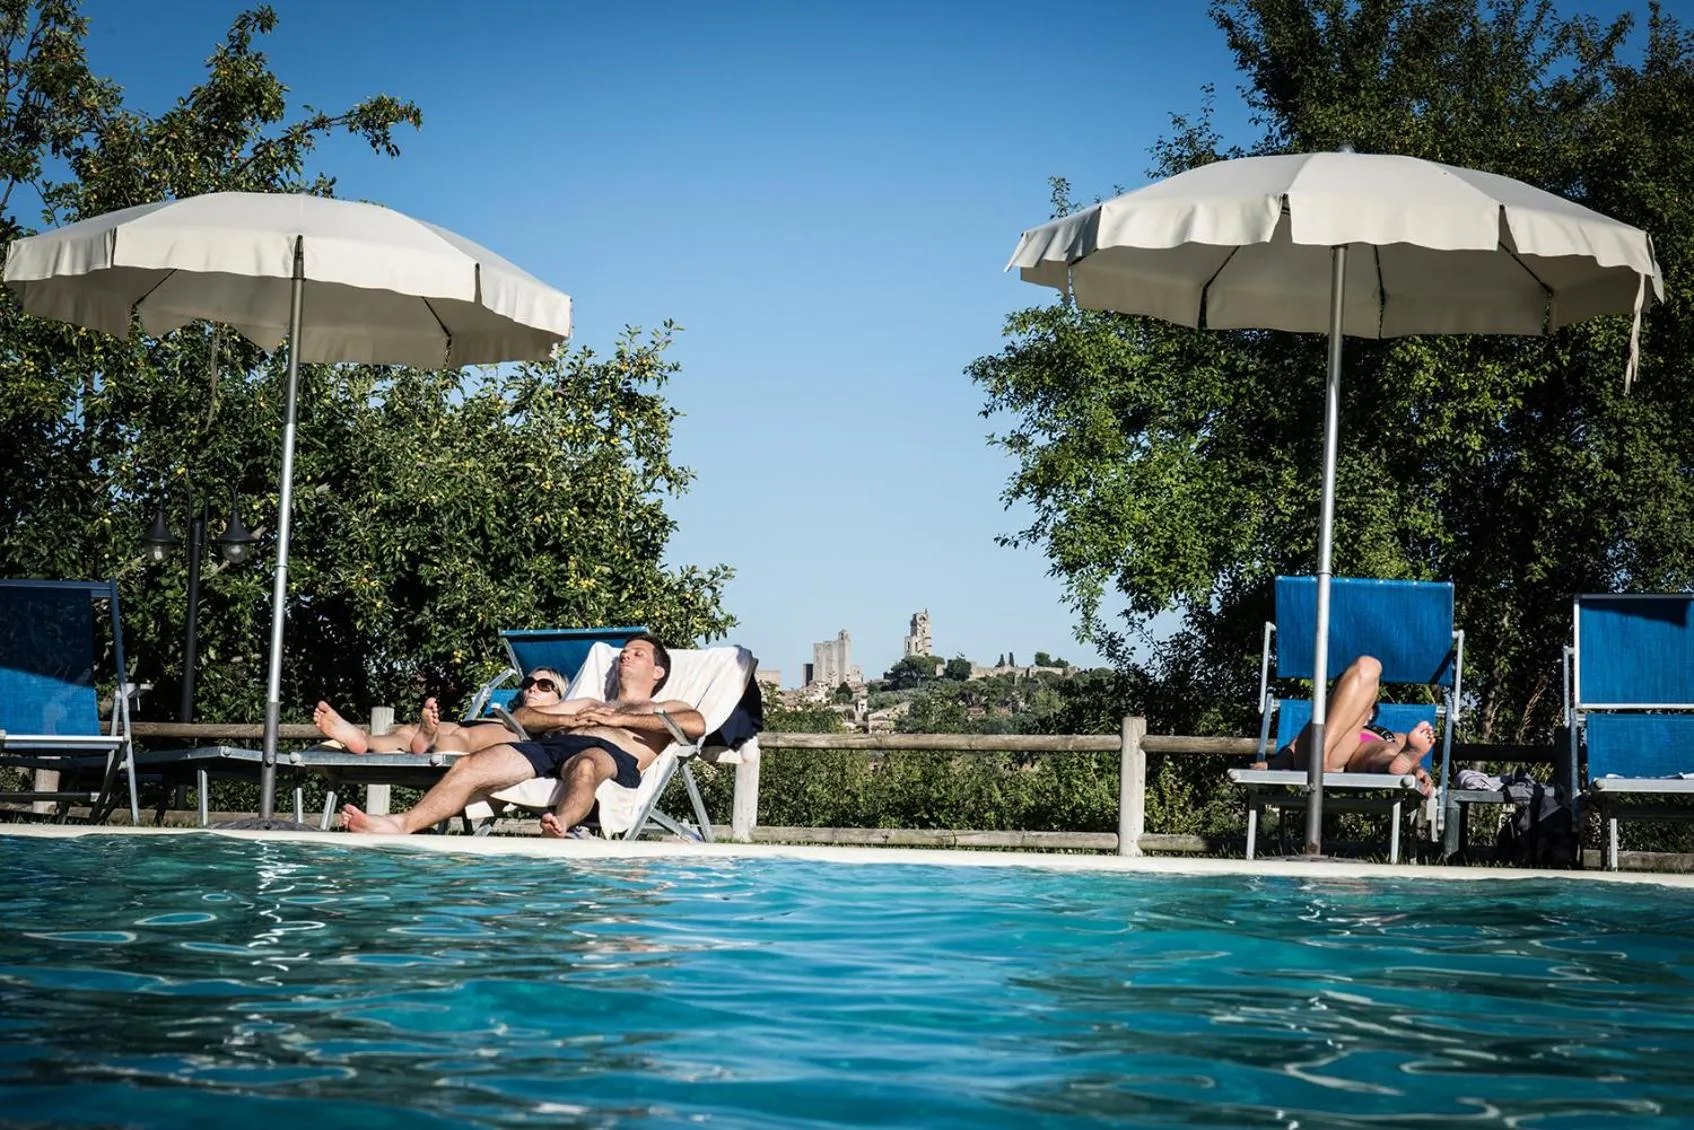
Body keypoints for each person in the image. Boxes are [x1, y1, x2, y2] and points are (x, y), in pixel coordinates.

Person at [340, 634, 704, 838]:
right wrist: (577, 715)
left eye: (637, 653)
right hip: (554, 746)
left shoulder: (665, 704)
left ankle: (559, 825)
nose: (626, 655)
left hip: (610, 754)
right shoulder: (590, 701)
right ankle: (400, 824)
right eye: (624, 651)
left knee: (586, 766)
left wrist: (620, 720)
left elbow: (695, 724)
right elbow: (525, 716)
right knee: (471, 764)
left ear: (657, 670)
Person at [1255, 654, 1437, 795]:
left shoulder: (1387, 733)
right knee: (1368, 666)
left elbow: (1411, 757)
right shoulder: (1321, 722)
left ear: (1370, 712)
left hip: (1355, 753)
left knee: (1385, 750)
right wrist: (1269, 766)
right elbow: (1290, 753)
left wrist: (1417, 769)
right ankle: (1323, 754)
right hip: (1325, 750)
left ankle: (1393, 766)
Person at [312, 668, 567, 755]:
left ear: (560, 696)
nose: (533, 688)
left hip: (518, 737)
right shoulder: (510, 707)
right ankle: (363, 740)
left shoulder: (560, 716)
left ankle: (431, 740)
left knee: (465, 739)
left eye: (545, 686)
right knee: (409, 731)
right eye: (528, 683)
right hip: (478, 723)